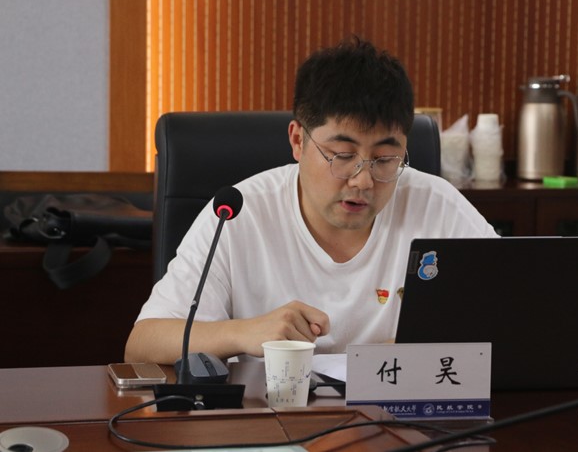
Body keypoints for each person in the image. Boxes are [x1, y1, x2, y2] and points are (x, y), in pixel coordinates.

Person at [124, 36, 498, 364]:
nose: (363, 180)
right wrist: (243, 332)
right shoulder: (238, 212)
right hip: (268, 414)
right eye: (343, 155)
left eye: (385, 159)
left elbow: (513, 314)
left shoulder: (436, 205)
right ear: (298, 141)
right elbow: (143, 344)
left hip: (395, 415)